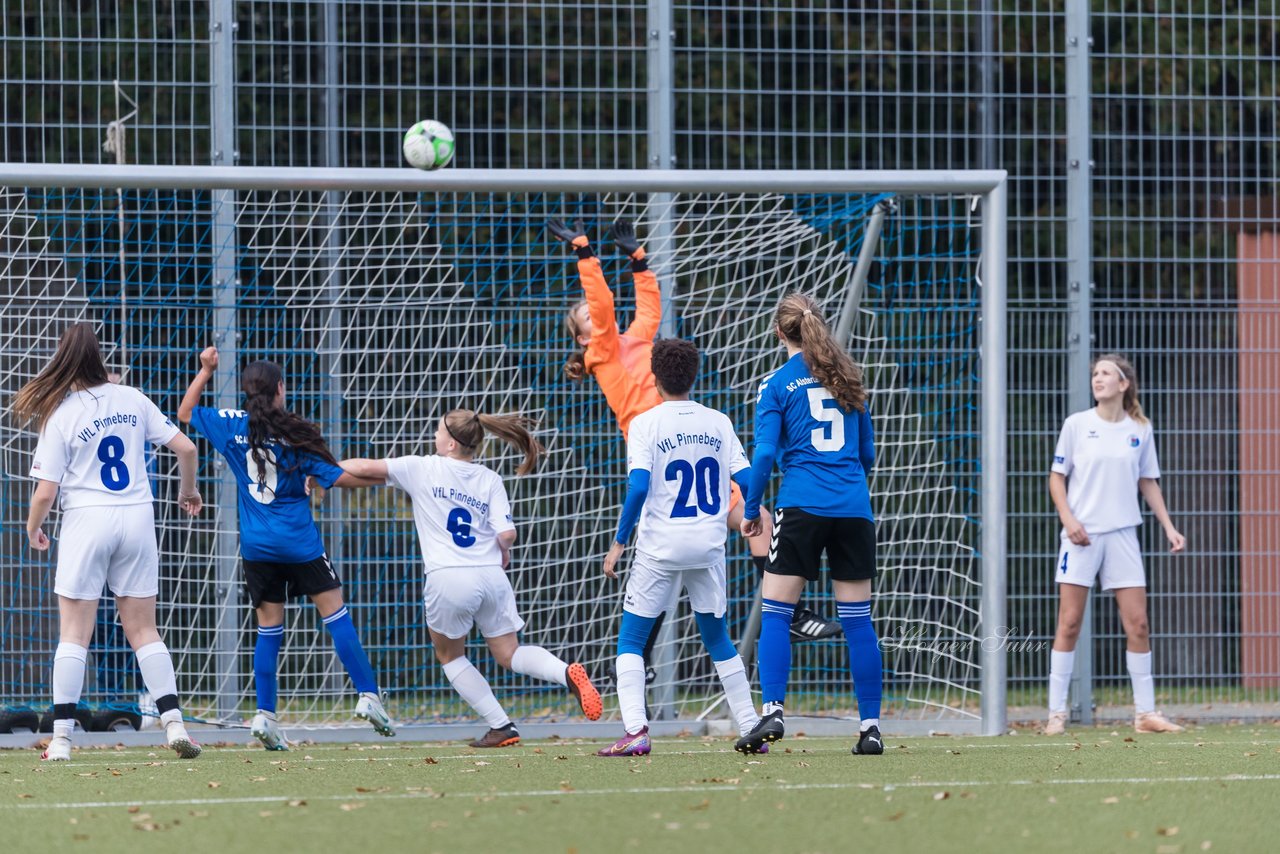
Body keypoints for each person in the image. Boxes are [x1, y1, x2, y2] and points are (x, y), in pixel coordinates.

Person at [549, 217, 839, 642]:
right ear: (581, 339)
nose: (594, 317)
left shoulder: (633, 340)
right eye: (585, 318)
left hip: (692, 444)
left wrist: (638, 259)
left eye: (591, 314)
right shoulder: (602, 350)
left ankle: (790, 611)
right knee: (660, 566)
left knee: (754, 515)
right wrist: (584, 254)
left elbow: (648, 307)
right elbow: (604, 306)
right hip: (657, 454)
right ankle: (638, 658)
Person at [339, 408, 602, 748]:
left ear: (450, 444)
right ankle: (564, 672)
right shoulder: (490, 478)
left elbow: (362, 468)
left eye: (436, 431)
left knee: (450, 656)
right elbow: (507, 533)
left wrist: (316, 470)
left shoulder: (424, 467)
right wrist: (502, 551)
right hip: (492, 577)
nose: (433, 436)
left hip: (449, 577)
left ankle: (501, 725)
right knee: (509, 653)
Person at [178, 346, 393, 750]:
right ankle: (368, 695)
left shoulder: (231, 424)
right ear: (280, 388)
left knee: (268, 630)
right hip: (300, 543)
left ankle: (265, 714)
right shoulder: (296, 433)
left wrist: (206, 370)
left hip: (258, 548)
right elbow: (339, 479)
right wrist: (388, 480)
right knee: (336, 615)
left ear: (246, 392)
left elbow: (186, 412)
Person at [15, 322, 204, 761]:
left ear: (63, 359)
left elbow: (46, 491)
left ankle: (60, 740)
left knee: (75, 634)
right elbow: (188, 449)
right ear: (99, 357)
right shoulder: (133, 398)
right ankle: (175, 724)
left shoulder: (61, 413)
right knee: (143, 630)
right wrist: (187, 491)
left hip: (86, 521)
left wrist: (32, 527)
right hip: (137, 519)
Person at [734, 293, 884, 756]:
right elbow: (867, 457)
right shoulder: (849, 378)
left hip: (801, 506)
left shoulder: (776, 384)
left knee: (777, 612)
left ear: (780, 333)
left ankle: (773, 712)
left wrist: (752, 508)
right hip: (853, 509)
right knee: (858, 622)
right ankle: (871, 729)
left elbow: (762, 455)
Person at [598, 338, 763, 756]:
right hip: (708, 548)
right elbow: (746, 480)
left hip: (660, 550)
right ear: (695, 376)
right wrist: (753, 513)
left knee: (632, 641)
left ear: (654, 377)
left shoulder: (645, 423)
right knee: (718, 638)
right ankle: (750, 726)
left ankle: (636, 731)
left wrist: (619, 542)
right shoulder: (719, 422)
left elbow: (637, 488)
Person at [1045, 353, 1186, 735]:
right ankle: (1055, 714)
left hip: (1124, 536)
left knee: (1138, 624)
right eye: (1095, 373)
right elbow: (1057, 479)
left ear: (1123, 385)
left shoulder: (1140, 428)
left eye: (1106, 373)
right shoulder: (1076, 425)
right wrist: (1069, 520)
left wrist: (1169, 527)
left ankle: (1146, 714)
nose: (1098, 378)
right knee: (1070, 623)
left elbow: (1148, 482)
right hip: (1081, 537)